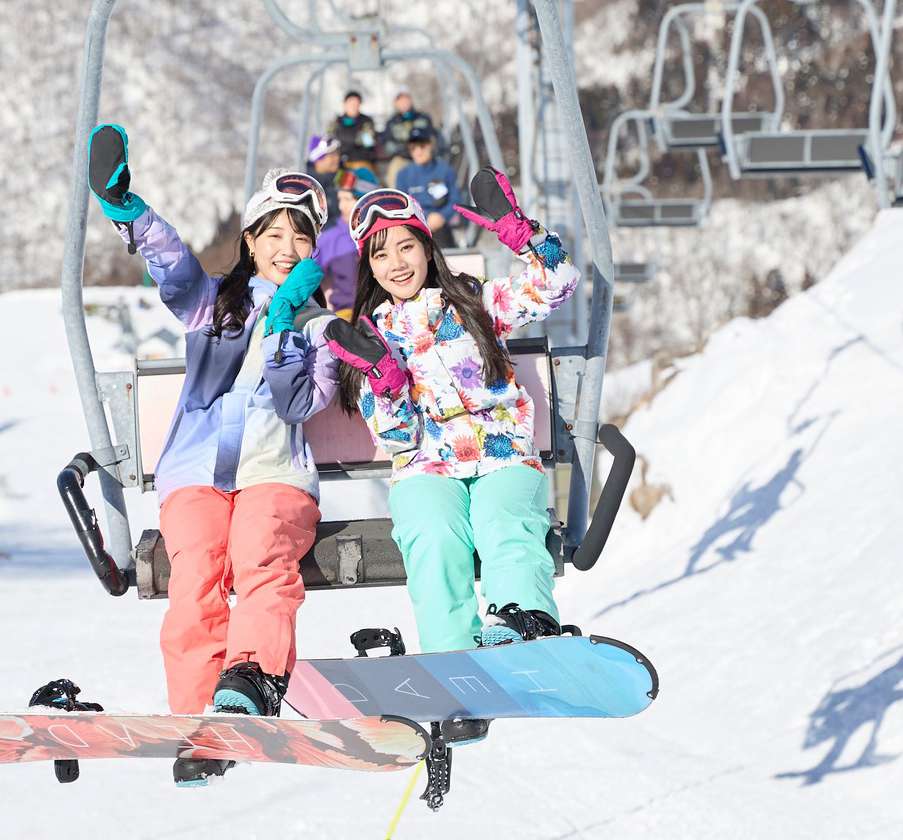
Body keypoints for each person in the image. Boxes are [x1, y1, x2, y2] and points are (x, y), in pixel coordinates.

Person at [87, 124, 340, 787]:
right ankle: (200, 721)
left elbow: (302, 403)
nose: (287, 248)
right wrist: (129, 210)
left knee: (262, 558)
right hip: (195, 473)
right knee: (194, 576)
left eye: (301, 237)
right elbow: (173, 266)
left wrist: (285, 326)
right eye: (274, 234)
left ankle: (249, 685)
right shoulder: (214, 307)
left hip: (275, 474)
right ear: (250, 242)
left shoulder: (320, 327)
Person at [322, 171, 580, 746]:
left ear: (426, 246)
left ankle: (521, 621)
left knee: (501, 522)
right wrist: (385, 380)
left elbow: (559, 283)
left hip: (502, 454)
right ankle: (455, 670)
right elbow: (395, 437)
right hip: (425, 465)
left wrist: (524, 236)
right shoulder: (371, 337)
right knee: (433, 537)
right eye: (380, 255)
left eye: (405, 246)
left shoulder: (473, 300)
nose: (397, 263)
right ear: (368, 267)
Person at [316, 165, 378, 321]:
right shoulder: (329, 239)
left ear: (366, 202)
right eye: (340, 199)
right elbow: (305, 280)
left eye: (348, 199)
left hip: (380, 313)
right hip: (345, 316)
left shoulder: (382, 235)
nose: (341, 206)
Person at [394, 126, 460, 248]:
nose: (418, 151)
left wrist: (442, 216)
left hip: (441, 227)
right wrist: (426, 216)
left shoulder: (445, 170)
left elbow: (455, 200)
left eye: (422, 145)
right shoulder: (403, 175)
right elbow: (401, 205)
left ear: (431, 144)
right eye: (413, 147)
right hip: (416, 228)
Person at [380, 88, 436, 189]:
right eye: (400, 100)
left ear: (411, 100)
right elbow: (387, 144)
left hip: (423, 155)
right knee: (394, 172)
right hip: (402, 157)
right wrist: (404, 149)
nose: (403, 103)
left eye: (406, 99)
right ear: (396, 103)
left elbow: (432, 137)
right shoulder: (392, 122)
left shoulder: (422, 118)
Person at [327, 90, 378, 172]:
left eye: (356, 103)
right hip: (339, 161)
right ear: (345, 104)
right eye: (351, 103)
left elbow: (367, 142)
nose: (353, 106)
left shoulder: (366, 122)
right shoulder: (337, 122)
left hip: (361, 160)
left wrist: (343, 139)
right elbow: (329, 139)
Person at [306, 134, 343, 230]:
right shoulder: (306, 188)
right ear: (318, 160)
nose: (337, 158)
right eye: (332, 155)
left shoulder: (346, 179)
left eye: (337, 154)